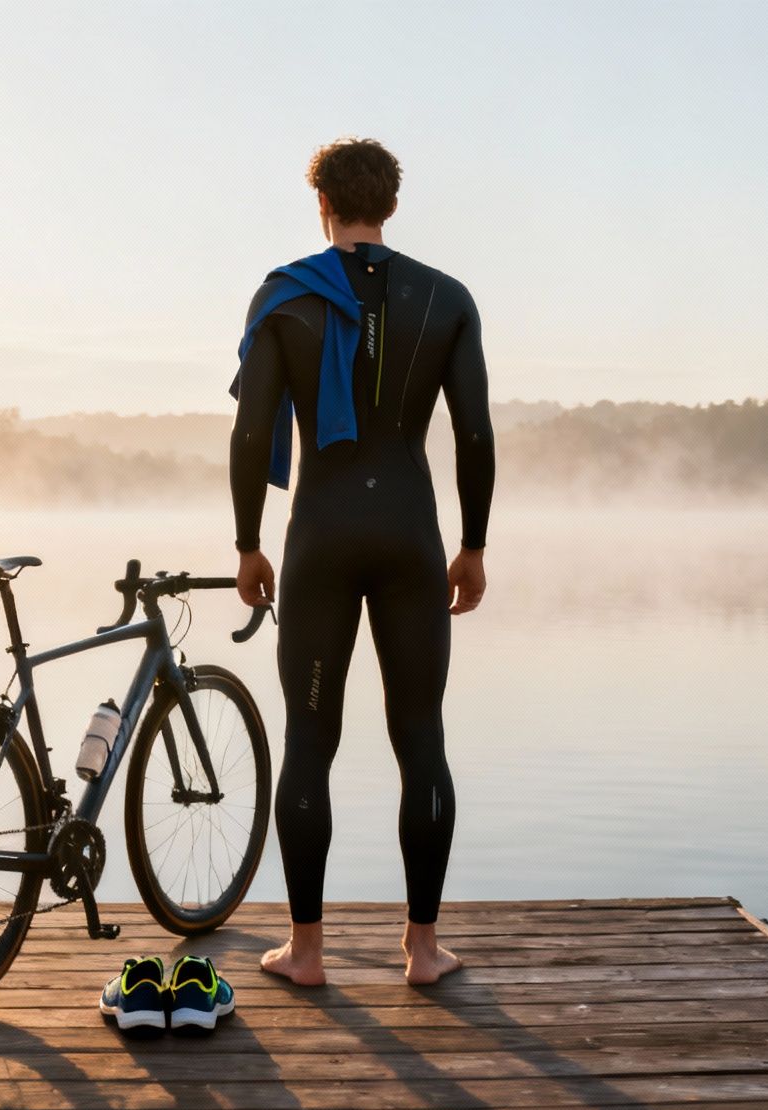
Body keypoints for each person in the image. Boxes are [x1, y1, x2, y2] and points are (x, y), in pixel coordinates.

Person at [228, 137, 495, 985]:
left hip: (320, 538)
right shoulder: (447, 298)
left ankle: (305, 952)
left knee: (310, 738)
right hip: (412, 535)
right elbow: (476, 435)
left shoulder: (284, 299)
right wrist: (474, 545)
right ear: (391, 203)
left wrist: (247, 542)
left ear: (323, 205)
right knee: (421, 736)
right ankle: (422, 949)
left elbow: (247, 431)